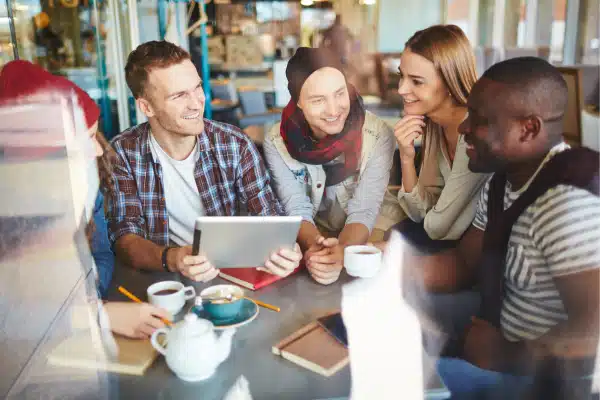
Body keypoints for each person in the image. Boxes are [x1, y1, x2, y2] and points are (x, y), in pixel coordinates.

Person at [408, 57, 600, 398]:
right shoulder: (504, 182)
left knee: (392, 376)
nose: (464, 127)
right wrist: (382, 269)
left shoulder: (566, 205)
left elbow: (593, 339)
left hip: (537, 380)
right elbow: (464, 264)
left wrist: (503, 354)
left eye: (480, 120)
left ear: (528, 129)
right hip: (496, 333)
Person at [0, 60, 170, 340]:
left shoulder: (84, 188)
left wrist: (83, 306)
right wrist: (95, 315)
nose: (98, 151)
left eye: (95, 134)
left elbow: (102, 255)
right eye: (85, 138)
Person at [106, 41, 302, 283]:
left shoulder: (234, 144)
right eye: (179, 95)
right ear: (147, 106)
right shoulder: (123, 152)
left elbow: (269, 213)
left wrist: (283, 249)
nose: (197, 102)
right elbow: (124, 238)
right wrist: (174, 258)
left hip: (229, 279)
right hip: (162, 280)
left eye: (197, 87)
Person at [263, 47, 396, 285]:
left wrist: (343, 252)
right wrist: (320, 252)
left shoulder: (378, 135)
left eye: (339, 93)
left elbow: (364, 208)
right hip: (315, 234)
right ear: (299, 102)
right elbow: (296, 206)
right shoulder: (276, 141)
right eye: (317, 100)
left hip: (367, 233)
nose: (334, 110)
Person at [391, 25, 489, 251]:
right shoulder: (435, 123)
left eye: (416, 81)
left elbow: (438, 228)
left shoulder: (474, 133)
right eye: (401, 76)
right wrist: (406, 158)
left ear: (449, 83)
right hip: (446, 248)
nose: (401, 89)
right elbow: (419, 213)